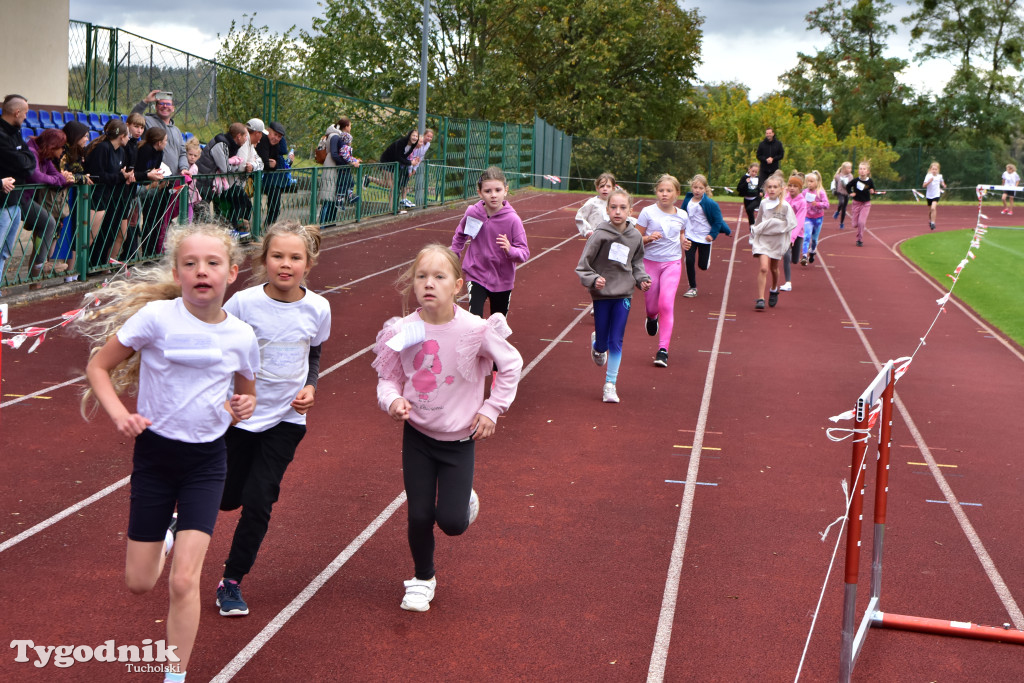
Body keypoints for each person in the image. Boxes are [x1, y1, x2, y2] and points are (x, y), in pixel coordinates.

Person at [78, 222, 259, 683]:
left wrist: (244, 405)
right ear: (177, 273)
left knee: (184, 581)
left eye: (213, 263)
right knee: (140, 583)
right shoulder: (156, 319)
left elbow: (247, 394)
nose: (202, 271)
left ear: (232, 273)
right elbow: (98, 366)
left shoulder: (241, 335)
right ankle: (166, 536)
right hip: (155, 459)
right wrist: (120, 414)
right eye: (191, 263)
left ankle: (174, 676)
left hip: (206, 461)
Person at [372, 243, 523, 612]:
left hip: (459, 441)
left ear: (456, 285)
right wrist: (392, 401)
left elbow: (512, 364)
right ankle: (422, 578)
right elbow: (387, 378)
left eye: (439, 277)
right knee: (419, 513)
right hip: (418, 437)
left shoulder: (475, 329)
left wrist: (491, 409)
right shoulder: (405, 329)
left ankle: (463, 501)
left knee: (452, 523)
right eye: (422, 276)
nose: (429, 283)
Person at [216, 220, 332, 617]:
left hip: (285, 420)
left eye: (295, 257)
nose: (286, 264)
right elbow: (223, 352)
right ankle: (185, 514)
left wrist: (311, 387)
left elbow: (314, 354)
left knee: (259, 499)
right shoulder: (243, 304)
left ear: (309, 263)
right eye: (277, 256)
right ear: (264, 259)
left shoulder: (318, 307)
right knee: (228, 496)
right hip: (241, 418)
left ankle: (231, 581)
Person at [576, 187, 651, 402]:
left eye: (623, 207)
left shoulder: (635, 236)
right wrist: (593, 279)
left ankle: (610, 384)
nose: (618, 211)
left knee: (616, 339)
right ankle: (597, 346)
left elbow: (637, 263)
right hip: (602, 294)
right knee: (603, 342)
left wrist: (642, 279)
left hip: (624, 293)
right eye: (613, 207)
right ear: (607, 209)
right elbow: (583, 266)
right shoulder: (600, 234)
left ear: (630, 210)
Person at [450, 167, 529, 320]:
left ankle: (494, 343)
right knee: (475, 319)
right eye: (488, 191)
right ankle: (475, 343)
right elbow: (460, 235)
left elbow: (524, 253)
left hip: (502, 279)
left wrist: (510, 250)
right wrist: (453, 257)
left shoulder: (513, 220)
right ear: (480, 192)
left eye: (498, 190)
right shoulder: (473, 213)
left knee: (498, 324)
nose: (493, 195)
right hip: (476, 273)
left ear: (505, 190)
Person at [637, 174, 686, 368]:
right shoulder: (647, 212)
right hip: (650, 263)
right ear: (656, 192)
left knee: (666, 303)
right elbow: (636, 237)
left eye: (669, 191)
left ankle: (663, 350)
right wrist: (648, 238)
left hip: (672, 264)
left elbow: (682, 233)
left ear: (677, 193)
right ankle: (651, 317)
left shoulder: (682, 215)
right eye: (661, 190)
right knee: (652, 306)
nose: (664, 194)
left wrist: (685, 242)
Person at [84, 119, 136, 269]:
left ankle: (99, 265)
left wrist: (125, 175)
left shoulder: (120, 151)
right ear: (121, 136)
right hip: (97, 196)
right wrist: (121, 176)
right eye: (127, 136)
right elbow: (97, 175)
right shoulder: (103, 148)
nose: (129, 139)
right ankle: (85, 268)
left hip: (112, 197)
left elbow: (119, 172)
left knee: (109, 233)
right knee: (92, 235)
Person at [25, 128, 73, 286]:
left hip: (27, 199)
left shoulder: (45, 157)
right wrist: (57, 180)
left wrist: (63, 179)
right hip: (16, 198)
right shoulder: (32, 151)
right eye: (62, 147)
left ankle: (38, 270)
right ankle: (40, 265)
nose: (63, 151)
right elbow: (36, 176)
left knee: (47, 224)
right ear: (53, 146)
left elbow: (57, 175)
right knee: (48, 223)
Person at [0, 94, 36, 289]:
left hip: (15, 200)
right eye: (25, 113)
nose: (26, 117)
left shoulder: (16, 131)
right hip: (2, 202)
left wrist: (23, 159)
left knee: (5, 251)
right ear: (16, 112)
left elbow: (29, 162)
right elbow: (20, 163)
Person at [680, 173, 731, 304]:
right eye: (695, 187)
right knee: (689, 260)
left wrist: (712, 235)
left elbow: (718, 221)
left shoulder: (710, 204)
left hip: (704, 237)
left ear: (705, 189)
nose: (697, 190)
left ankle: (705, 261)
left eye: (700, 188)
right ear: (692, 187)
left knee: (702, 265)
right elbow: (681, 215)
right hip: (690, 236)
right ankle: (692, 287)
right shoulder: (688, 200)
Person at [749, 172, 795, 310]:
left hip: (777, 240)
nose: (772, 189)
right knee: (764, 268)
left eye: (775, 187)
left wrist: (784, 234)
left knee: (774, 268)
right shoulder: (763, 203)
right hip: (763, 239)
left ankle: (774, 289)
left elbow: (791, 224)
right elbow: (759, 221)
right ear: (766, 189)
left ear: (781, 189)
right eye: (769, 187)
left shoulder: (786, 206)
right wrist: (754, 233)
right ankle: (761, 298)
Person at [195, 123, 251, 235]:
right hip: (202, 182)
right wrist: (235, 164)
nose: (246, 139)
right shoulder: (221, 143)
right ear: (238, 136)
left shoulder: (230, 145)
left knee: (202, 216)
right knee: (201, 216)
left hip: (210, 184)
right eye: (245, 136)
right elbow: (225, 168)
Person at [54, 120, 93, 279]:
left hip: (77, 196)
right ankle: (61, 270)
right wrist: (82, 178)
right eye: (84, 136)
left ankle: (72, 271)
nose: (86, 139)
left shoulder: (79, 152)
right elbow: (63, 174)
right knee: (65, 232)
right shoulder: (62, 152)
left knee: (77, 231)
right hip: (65, 196)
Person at [130, 89, 190, 175]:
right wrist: (146, 101)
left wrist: (184, 168)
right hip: (153, 179)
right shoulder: (147, 121)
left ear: (173, 108)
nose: (165, 106)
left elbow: (182, 153)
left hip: (172, 180)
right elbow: (132, 118)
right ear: (156, 106)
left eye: (168, 104)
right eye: (161, 103)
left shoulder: (177, 131)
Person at [318, 118, 360, 225]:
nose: (350, 128)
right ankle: (324, 225)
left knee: (333, 199)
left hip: (335, 169)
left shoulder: (338, 136)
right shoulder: (335, 136)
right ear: (345, 127)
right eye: (350, 126)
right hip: (332, 169)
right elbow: (335, 154)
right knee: (328, 200)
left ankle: (330, 223)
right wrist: (347, 163)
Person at [846, 161, 882, 247]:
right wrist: (851, 193)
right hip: (856, 203)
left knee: (861, 222)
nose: (862, 171)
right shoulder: (855, 180)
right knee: (855, 224)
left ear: (867, 171)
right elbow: (848, 186)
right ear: (858, 171)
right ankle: (856, 225)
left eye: (864, 169)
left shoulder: (870, 181)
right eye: (860, 169)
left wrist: (872, 191)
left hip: (866, 204)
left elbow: (873, 189)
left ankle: (859, 239)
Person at [779, 173, 805, 292]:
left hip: (797, 233)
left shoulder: (802, 202)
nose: (792, 188)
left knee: (794, 260)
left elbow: (799, 222)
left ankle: (794, 258)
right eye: (790, 185)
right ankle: (788, 282)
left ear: (800, 188)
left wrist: (793, 238)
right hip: (785, 231)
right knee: (786, 255)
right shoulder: (785, 199)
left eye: (795, 186)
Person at [262, 122, 292, 226]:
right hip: (269, 179)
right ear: (268, 131)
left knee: (275, 206)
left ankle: (268, 226)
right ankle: (265, 227)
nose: (276, 138)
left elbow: (284, 150)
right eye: (275, 135)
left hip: (276, 179)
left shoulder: (277, 146)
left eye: (280, 137)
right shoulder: (263, 141)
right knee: (273, 205)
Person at [380, 129, 418, 207]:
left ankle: (392, 207)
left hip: (395, 164)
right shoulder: (401, 143)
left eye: (416, 136)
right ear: (409, 136)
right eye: (413, 135)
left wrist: (410, 163)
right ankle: (391, 207)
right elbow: (398, 157)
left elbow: (404, 157)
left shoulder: (413, 145)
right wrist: (410, 163)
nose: (415, 138)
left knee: (391, 185)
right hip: (386, 162)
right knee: (391, 185)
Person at [575, 172, 616, 237]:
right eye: (602, 186)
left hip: (612, 237)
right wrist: (587, 231)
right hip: (595, 237)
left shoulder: (616, 203)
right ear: (597, 188)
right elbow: (580, 217)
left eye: (608, 186)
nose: (605, 189)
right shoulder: (592, 202)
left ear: (613, 189)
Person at [801, 170, 829, 264]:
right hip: (808, 217)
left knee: (814, 239)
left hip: (818, 219)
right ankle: (804, 256)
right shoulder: (805, 192)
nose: (809, 183)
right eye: (808, 181)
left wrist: (817, 204)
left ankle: (812, 251)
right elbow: (800, 201)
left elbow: (827, 205)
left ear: (817, 182)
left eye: (811, 181)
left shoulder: (820, 193)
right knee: (807, 236)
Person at [406, 128, 434, 205]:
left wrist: (415, 168)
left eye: (431, 137)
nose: (429, 138)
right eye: (427, 136)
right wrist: (411, 169)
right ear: (424, 135)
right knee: (403, 182)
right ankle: (403, 199)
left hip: (414, 163)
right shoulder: (418, 144)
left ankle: (404, 199)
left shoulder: (428, 144)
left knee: (406, 182)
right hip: (408, 163)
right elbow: (412, 156)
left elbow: (420, 156)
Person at [831, 161, 853, 230]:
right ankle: (837, 211)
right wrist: (833, 189)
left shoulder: (850, 176)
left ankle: (841, 223)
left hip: (846, 193)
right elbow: (833, 183)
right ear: (844, 169)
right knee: (841, 202)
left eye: (850, 168)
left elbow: (849, 185)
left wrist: (845, 184)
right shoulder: (838, 176)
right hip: (840, 192)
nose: (850, 169)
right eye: (849, 168)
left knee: (844, 209)